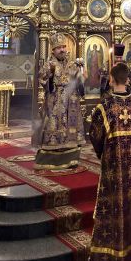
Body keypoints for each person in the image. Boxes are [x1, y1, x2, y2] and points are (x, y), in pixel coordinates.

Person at [89, 62, 131, 261]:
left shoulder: (104, 106)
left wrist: (103, 154)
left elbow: (95, 136)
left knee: (113, 205)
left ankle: (111, 253)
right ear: (128, 80)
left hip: (113, 167)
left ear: (111, 80)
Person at [36, 32, 86, 169]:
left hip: (71, 103)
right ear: (53, 50)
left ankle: (71, 159)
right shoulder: (48, 65)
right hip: (55, 102)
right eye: (59, 48)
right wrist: (51, 76)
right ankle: (51, 160)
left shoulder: (72, 64)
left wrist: (81, 75)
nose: (62, 50)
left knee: (71, 131)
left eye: (63, 47)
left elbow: (79, 82)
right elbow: (43, 82)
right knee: (53, 129)